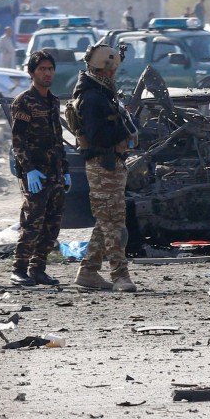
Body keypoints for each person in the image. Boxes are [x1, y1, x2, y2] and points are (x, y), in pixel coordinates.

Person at [71, 44, 138, 292]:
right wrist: (124, 128)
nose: (113, 75)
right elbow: (98, 136)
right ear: (103, 68)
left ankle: (88, 271)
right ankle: (120, 275)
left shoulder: (101, 93)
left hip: (110, 165)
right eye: (111, 69)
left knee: (106, 221)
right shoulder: (92, 98)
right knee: (113, 224)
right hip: (102, 165)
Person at [9, 51, 69, 286]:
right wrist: (29, 169)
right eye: (42, 69)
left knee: (51, 225)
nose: (47, 73)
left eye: (50, 69)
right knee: (32, 223)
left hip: (54, 173)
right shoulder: (23, 101)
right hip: (35, 174)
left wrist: (65, 170)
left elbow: (57, 138)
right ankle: (19, 269)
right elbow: (18, 141)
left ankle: (38, 269)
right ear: (32, 72)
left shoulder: (53, 101)